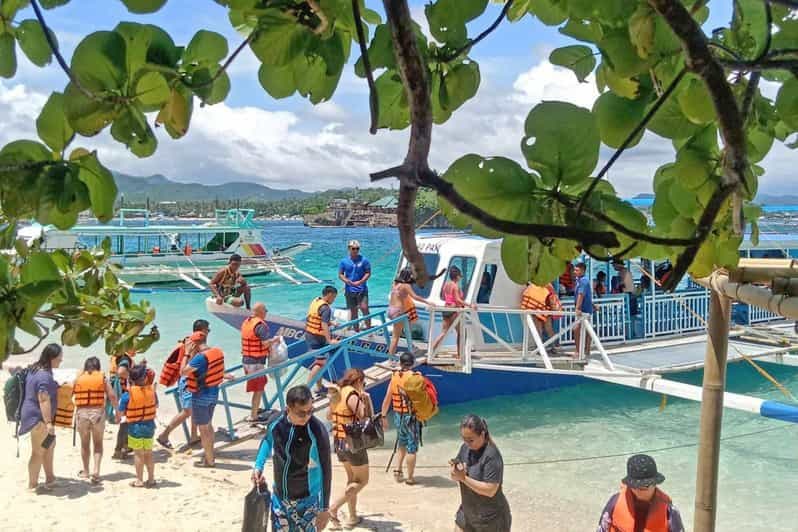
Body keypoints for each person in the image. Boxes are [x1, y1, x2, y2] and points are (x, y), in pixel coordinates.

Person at [252, 385, 332, 531]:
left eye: (310, 411)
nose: (307, 417)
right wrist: (258, 466)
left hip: (307, 501)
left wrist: (324, 508)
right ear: (288, 409)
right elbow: (267, 441)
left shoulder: (317, 431)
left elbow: (326, 469)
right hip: (280, 498)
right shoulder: (276, 422)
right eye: (302, 413)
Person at [450, 415, 512, 532]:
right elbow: (456, 474)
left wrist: (463, 478)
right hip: (468, 513)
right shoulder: (465, 448)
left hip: (491, 520)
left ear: (482, 434)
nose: (467, 443)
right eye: (464, 439)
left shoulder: (491, 455)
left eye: (471, 440)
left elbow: (490, 490)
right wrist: (455, 471)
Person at [328, 369, 371, 529]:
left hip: (339, 441)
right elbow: (363, 416)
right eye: (363, 383)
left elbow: (328, 416)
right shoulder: (353, 394)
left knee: (352, 479)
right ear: (358, 381)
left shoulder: (337, 393)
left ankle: (352, 516)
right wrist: (365, 399)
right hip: (352, 443)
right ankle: (333, 508)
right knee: (362, 481)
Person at [157, 319, 210, 449]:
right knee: (187, 411)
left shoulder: (190, 341)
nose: (208, 332)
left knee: (194, 408)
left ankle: (193, 436)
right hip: (187, 380)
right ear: (202, 329)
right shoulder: (194, 343)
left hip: (192, 379)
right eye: (208, 329)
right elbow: (189, 365)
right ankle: (164, 435)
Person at [596, 454, 685, 532]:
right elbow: (601, 529)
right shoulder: (615, 502)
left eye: (644, 486)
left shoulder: (669, 511)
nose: (638, 491)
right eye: (635, 486)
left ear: (654, 483)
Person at [18, 343, 63, 491]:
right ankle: (32, 484)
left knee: (49, 445)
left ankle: (50, 479)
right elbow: (43, 398)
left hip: (32, 414)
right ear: (51, 358)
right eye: (59, 358)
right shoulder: (44, 375)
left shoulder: (35, 369)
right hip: (38, 418)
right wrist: (48, 423)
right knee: (38, 451)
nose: (61, 361)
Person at [184, 345, 231, 467]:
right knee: (209, 426)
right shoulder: (217, 352)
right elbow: (218, 371)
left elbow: (183, 371)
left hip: (201, 396)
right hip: (213, 394)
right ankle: (210, 457)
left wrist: (187, 354)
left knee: (204, 430)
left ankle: (209, 461)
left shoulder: (199, 358)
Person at [73, 356, 117, 484]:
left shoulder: (79, 378)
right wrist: (118, 412)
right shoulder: (102, 378)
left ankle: (86, 471)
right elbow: (112, 396)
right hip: (97, 413)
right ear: (98, 367)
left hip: (82, 414)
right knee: (98, 444)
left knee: (84, 444)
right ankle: (96, 471)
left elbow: (69, 392)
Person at [380, 352, 421, 485]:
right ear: (412, 363)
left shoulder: (394, 376)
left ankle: (398, 470)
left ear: (400, 363)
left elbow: (387, 399)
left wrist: (383, 416)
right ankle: (410, 477)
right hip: (411, 417)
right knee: (412, 447)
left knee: (401, 442)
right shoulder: (415, 377)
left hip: (398, 415)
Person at [117, 364, 158, 487]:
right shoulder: (152, 392)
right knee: (149, 453)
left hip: (135, 428)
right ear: (145, 378)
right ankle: (151, 479)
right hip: (150, 426)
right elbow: (156, 406)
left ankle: (139, 480)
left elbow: (120, 412)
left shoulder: (127, 395)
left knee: (138, 454)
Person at [241, 302, 281, 421]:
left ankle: (255, 409)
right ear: (260, 312)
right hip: (256, 362)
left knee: (258, 386)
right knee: (258, 388)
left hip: (246, 360)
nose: (266, 313)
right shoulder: (260, 325)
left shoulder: (246, 322)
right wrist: (276, 340)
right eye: (266, 310)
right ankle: (253, 416)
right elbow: (265, 343)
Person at [431, 266, 475, 359]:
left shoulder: (446, 285)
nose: (461, 277)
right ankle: (460, 355)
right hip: (454, 311)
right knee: (462, 333)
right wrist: (470, 305)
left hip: (446, 309)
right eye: (460, 276)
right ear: (457, 276)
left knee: (443, 333)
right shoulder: (455, 286)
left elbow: (444, 297)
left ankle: (432, 350)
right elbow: (458, 300)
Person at [305, 285, 340, 398]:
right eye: (334, 297)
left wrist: (332, 323)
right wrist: (329, 340)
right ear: (329, 295)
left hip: (310, 335)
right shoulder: (326, 308)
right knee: (320, 364)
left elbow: (317, 319)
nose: (333, 300)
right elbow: (323, 324)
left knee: (320, 361)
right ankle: (306, 392)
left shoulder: (316, 301)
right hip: (317, 338)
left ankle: (319, 387)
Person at [387, 268, 430, 355]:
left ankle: (411, 346)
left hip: (390, 310)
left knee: (407, 327)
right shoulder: (405, 285)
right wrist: (427, 302)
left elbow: (400, 296)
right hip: (398, 311)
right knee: (395, 337)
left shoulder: (395, 284)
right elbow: (415, 296)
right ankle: (390, 358)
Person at [338, 240, 371, 332]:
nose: (356, 250)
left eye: (357, 248)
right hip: (349, 290)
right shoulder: (344, 261)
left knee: (364, 308)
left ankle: (369, 330)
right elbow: (340, 274)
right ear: (349, 249)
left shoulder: (364, 260)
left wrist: (361, 281)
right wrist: (347, 281)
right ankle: (356, 331)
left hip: (362, 289)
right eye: (353, 249)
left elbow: (368, 273)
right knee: (353, 312)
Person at [520, 281, 562, 354]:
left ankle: (541, 348)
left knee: (539, 330)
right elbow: (553, 296)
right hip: (546, 309)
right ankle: (554, 347)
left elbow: (527, 295)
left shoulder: (532, 286)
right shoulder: (548, 284)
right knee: (548, 329)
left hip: (537, 309)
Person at [573, 262, 594, 360]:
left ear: (583, 270)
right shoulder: (579, 280)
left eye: (577, 270)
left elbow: (581, 295)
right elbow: (586, 295)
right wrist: (593, 305)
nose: (575, 272)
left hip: (584, 310)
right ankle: (586, 350)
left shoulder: (583, 281)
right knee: (586, 329)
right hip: (585, 308)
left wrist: (577, 308)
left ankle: (579, 351)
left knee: (577, 329)